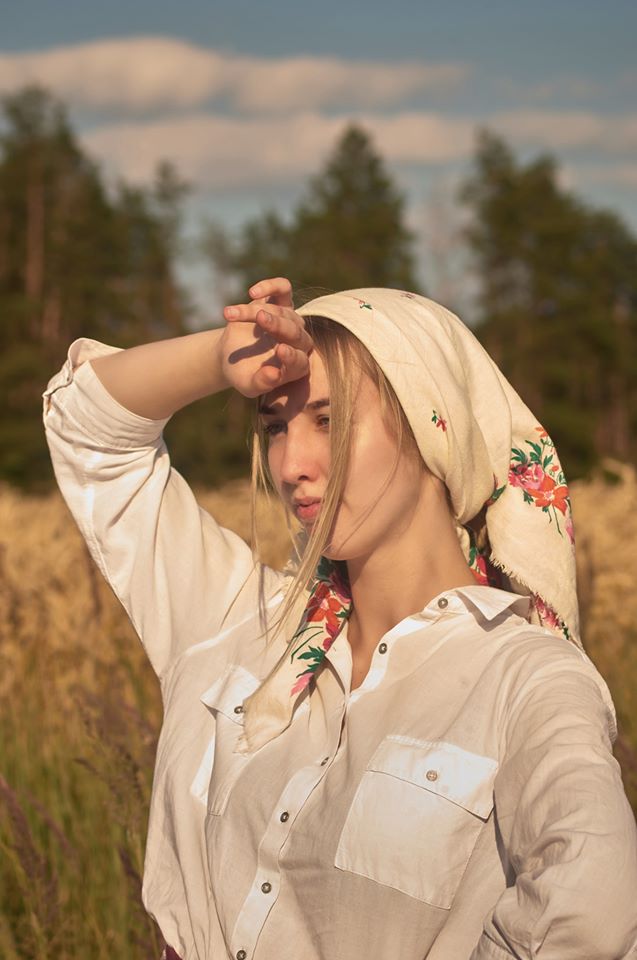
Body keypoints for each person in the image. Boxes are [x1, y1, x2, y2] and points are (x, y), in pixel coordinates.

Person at [43, 277, 637, 960]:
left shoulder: (524, 680)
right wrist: (223, 356)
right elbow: (90, 432)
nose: (293, 464)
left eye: (329, 420)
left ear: (429, 425)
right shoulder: (236, 622)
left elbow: (593, 915)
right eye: (275, 426)